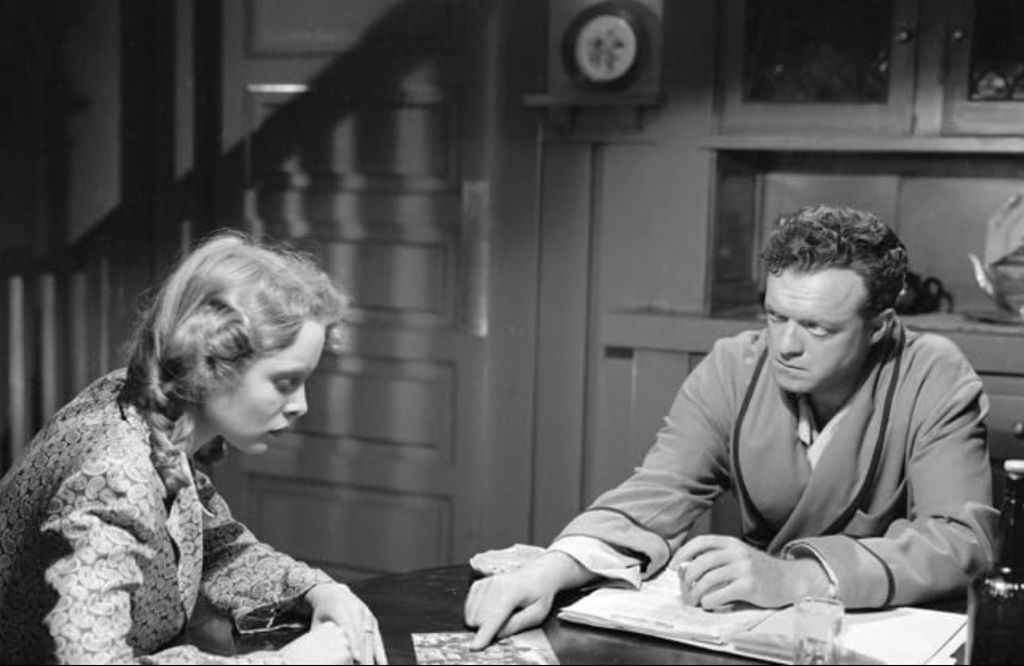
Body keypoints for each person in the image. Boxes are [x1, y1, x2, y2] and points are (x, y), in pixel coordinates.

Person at [464, 204, 1000, 648]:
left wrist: (796, 578)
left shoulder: (933, 374)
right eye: (775, 316)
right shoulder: (733, 367)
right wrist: (547, 572)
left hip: (888, 639)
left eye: (817, 328)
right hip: (756, 636)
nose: (786, 345)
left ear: (879, 326)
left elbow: (960, 540)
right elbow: (658, 492)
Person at [0, 231, 387, 664]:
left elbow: (216, 546)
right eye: (285, 382)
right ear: (212, 364)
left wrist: (319, 590)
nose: (301, 405)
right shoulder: (112, 472)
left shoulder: (151, 415)